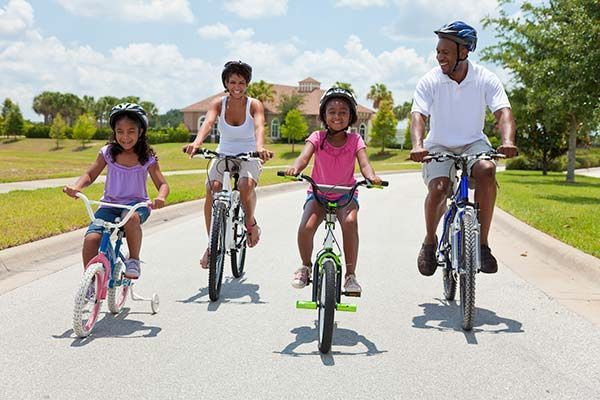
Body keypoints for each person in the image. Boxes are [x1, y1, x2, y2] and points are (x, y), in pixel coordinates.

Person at [409, 21, 518, 276]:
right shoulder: (430, 80)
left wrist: (508, 141)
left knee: (487, 170)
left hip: (473, 142)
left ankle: (482, 245)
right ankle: (429, 241)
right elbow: (418, 115)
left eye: (445, 52)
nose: (439, 57)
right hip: (439, 144)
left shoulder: (485, 78)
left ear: (464, 52)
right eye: (438, 51)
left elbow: (503, 112)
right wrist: (418, 145)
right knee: (439, 188)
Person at [284, 87, 382, 294]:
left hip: (346, 196)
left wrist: (371, 177)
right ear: (324, 115)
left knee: (350, 223)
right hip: (318, 194)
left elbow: (364, 164)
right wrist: (295, 168)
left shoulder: (355, 140)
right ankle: (305, 266)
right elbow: (303, 158)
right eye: (332, 112)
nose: (337, 116)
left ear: (351, 116)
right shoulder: (317, 137)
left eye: (343, 112)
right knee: (306, 227)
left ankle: (350, 276)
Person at [63, 103, 170, 279]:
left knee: (131, 219)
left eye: (131, 131)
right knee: (91, 239)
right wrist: (77, 187)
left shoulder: (147, 157)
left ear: (140, 131)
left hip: (137, 206)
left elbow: (163, 184)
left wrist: (161, 197)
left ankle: (134, 259)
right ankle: (90, 281)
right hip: (109, 205)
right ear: (114, 132)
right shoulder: (108, 152)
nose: (125, 137)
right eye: (120, 131)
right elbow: (90, 174)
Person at [183, 60, 272, 268]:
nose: (237, 87)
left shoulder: (254, 104)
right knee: (211, 189)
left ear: (247, 83)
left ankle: (250, 222)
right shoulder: (218, 103)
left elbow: (259, 127)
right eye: (232, 82)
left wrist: (260, 148)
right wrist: (197, 143)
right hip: (224, 152)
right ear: (226, 82)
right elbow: (208, 123)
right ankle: (211, 245)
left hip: (249, 153)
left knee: (245, 185)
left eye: (241, 82)